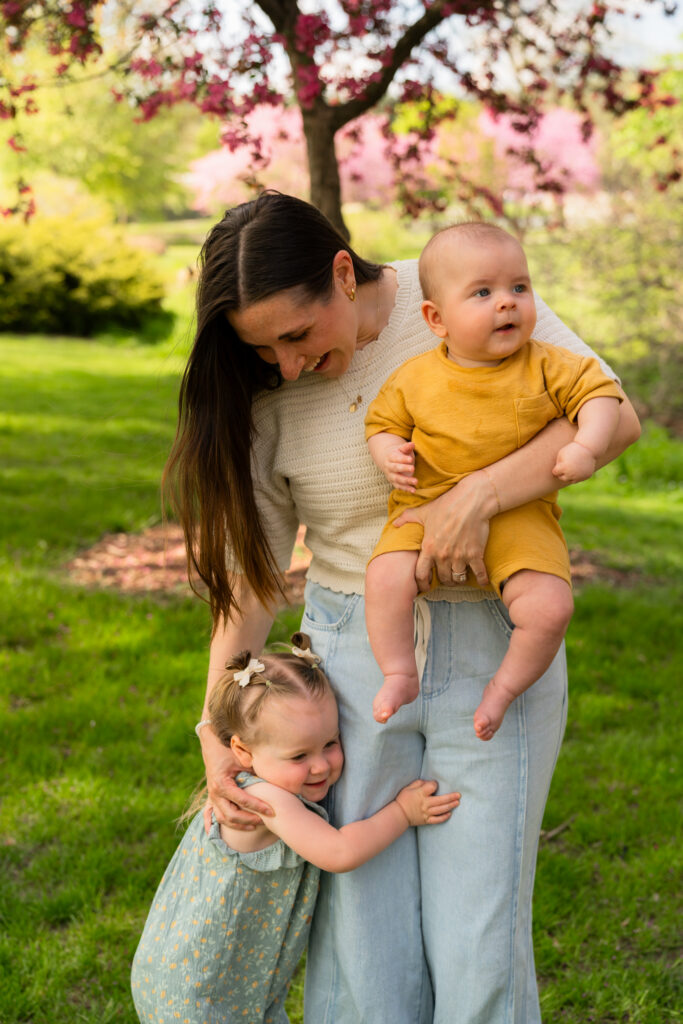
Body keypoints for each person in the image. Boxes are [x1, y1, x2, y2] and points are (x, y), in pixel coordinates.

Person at [163, 191, 640, 1024]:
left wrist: (478, 498)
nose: (285, 363)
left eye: (297, 334)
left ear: (343, 274)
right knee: (360, 940)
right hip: (349, 666)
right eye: (263, 348)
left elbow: (613, 416)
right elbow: (255, 578)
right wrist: (214, 727)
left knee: (480, 937)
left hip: (497, 646)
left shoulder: (464, 291)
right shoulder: (267, 395)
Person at [365, 222, 623, 733]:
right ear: (436, 319)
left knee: (551, 608)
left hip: (521, 514)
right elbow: (382, 424)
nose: (507, 303)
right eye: (483, 292)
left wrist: (587, 445)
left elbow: (602, 395)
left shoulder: (547, 364)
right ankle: (399, 671)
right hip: (425, 507)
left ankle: (503, 690)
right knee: (384, 578)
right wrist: (388, 452)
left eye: (519, 288)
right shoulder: (414, 377)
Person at [131, 634, 459, 1024]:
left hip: (220, 981)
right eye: (299, 755)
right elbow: (339, 852)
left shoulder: (257, 783)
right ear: (243, 753)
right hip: (201, 990)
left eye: (330, 743)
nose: (320, 766)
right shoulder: (266, 799)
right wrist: (403, 812)